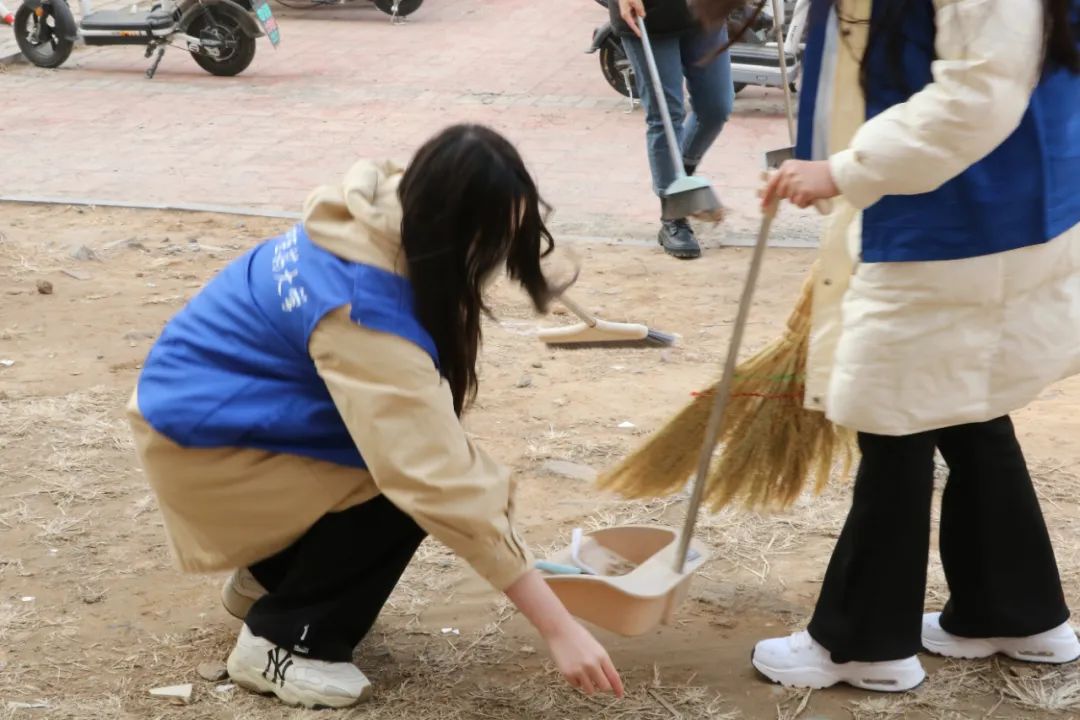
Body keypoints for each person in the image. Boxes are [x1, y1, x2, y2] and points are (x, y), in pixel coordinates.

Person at [127, 124, 624, 708]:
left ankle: (270, 580)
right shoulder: (364, 309)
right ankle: (284, 640)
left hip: (216, 418)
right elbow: (436, 475)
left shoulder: (379, 217)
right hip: (205, 450)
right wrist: (558, 626)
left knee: (403, 450)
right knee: (408, 482)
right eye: (490, 242)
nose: (492, 263)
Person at [710, 0, 1080, 693]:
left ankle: (863, 642)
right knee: (965, 408)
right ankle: (1015, 611)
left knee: (894, 421)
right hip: (988, 204)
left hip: (955, 218)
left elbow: (977, 94)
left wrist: (846, 169)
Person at [613, 0, 735, 259]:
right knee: (665, 115)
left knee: (716, 107)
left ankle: (681, 176)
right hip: (649, 14)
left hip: (704, 10)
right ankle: (674, 213)